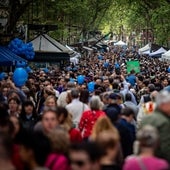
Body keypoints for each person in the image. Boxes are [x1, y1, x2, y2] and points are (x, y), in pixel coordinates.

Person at [141, 90, 170, 163]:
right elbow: (165, 147)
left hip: (144, 158)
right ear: (163, 104)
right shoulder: (164, 121)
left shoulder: (146, 115)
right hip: (160, 160)